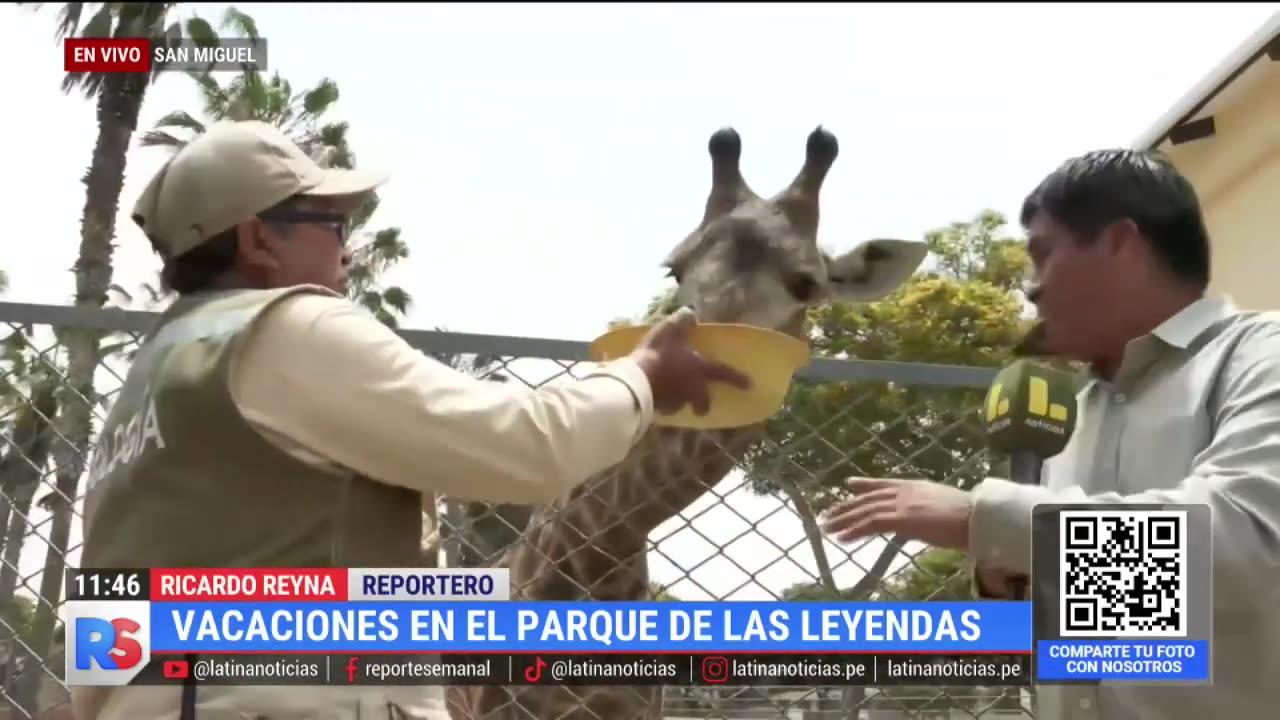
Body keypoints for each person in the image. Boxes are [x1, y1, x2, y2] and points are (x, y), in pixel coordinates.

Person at [74, 120, 749, 720]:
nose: (346, 249)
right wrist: (639, 379)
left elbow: (101, 640)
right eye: (332, 224)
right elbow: (525, 449)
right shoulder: (286, 329)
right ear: (257, 239)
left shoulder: (152, 380)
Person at [820, 149, 1280, 719]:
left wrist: (978, 519)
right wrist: (1003, 581)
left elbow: (1252, 554)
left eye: (1043, 255)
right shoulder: (1075, 414)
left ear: (1121, 244)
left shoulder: (1261, 355)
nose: (1031, 289)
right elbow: (1136, 608)